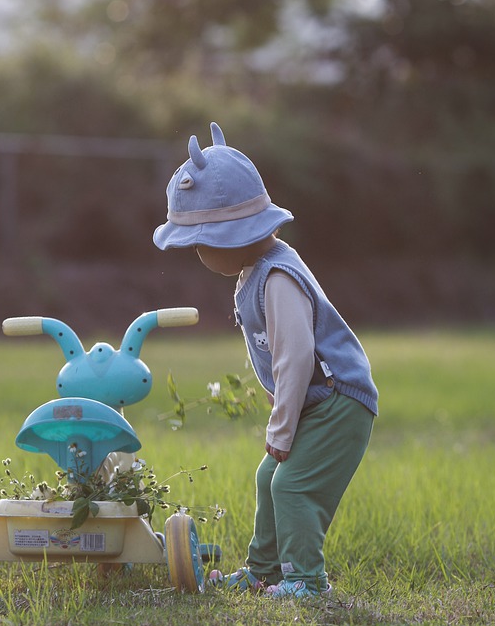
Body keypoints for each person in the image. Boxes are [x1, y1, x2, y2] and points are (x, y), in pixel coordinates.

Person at [154, 122, 378, 599]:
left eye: (198, 244)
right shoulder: (257, 269)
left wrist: (281, 427)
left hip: (339, 402)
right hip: (320, 402)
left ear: (227, 237)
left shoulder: (277, 278)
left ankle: (306, 580)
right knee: (268, 476)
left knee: (292, 486)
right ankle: (264, 572)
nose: (197, 254)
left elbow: (295, 360)